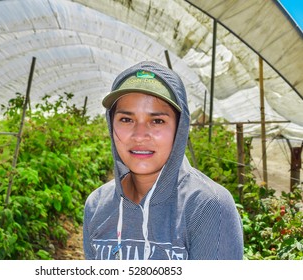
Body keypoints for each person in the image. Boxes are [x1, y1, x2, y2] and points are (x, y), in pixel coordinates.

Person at [83, 61, 244, 260]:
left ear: (180, 128)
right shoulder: (97, 205)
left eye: (157, 120)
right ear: (111, 124)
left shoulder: (207, 205)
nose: (140, 135)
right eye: (126, 119)